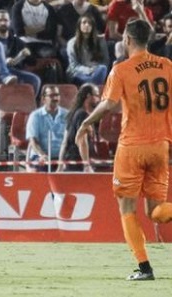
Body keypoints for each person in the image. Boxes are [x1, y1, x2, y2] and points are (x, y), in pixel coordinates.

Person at [75, 19, 172, 281]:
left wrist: (85, 123)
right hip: (161, 146)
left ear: (127, 40)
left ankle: (144, 268)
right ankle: (144, 268)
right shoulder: (168, 66)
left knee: (127, 208)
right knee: (156, 212)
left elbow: (108, 105)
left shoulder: (121, 70)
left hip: (132, 146)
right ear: (148, 39)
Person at [0, 10, 41, 97]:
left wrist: (28, 54)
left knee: (35, 80)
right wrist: (3, 62)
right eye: (0, 20)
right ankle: (5, 76)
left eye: (6, 20)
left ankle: (28, 106)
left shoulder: (17, 42)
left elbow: (33, 62)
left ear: (10, 22)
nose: (3, 23)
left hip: (12, 73)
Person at [57, 83, 100, 172]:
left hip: (71, 163)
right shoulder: (83, 115)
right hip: (79, 165)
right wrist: (86, 165)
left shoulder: (73, 114)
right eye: (96, 95)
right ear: (88, 96)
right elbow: (82, 141)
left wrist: (60, 166)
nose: (98, 99)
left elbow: (65, 142)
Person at [26, 85, 67, 172]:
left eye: (57, 95)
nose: (55, 98)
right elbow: (33, 141)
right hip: (41, 156)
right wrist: (42, 155)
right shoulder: (35, 116)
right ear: (43, 99)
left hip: (62, 156)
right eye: (51, 96)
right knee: (42, 169)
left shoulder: (67, 115)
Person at [66, 15, 109, 86]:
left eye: (90, 23)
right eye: (84, 22)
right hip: (79, 73)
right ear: (79, 25)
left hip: (97, 71)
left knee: (102, 68)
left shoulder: (101, 41)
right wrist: (88, 70)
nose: (87, 25)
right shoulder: (72, 43)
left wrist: (95, 69)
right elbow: (73, 65)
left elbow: (105, 61)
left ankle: (90, 85)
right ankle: (92, 86)